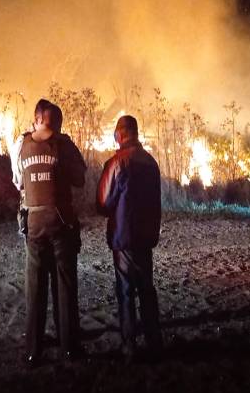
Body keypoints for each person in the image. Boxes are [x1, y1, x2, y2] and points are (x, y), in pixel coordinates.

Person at [12, 99, 86, 366]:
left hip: (33, 223)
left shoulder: (20, 144)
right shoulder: (64, 145)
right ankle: (70, 347)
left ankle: (34, 350)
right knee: (65, 285)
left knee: (35, 287)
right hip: (61, 223)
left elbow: (18, 181)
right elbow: (79, 179)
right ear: (55, 121)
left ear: (36, 118)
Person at [97, 115, 164, 362]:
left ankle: (129, 346)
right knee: (147, 288)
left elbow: (103, 202)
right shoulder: (151, 162)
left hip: (124, 237)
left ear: (121, 134)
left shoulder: (117, 162)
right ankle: (154, 341)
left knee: (126, 290)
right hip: (146, 237)